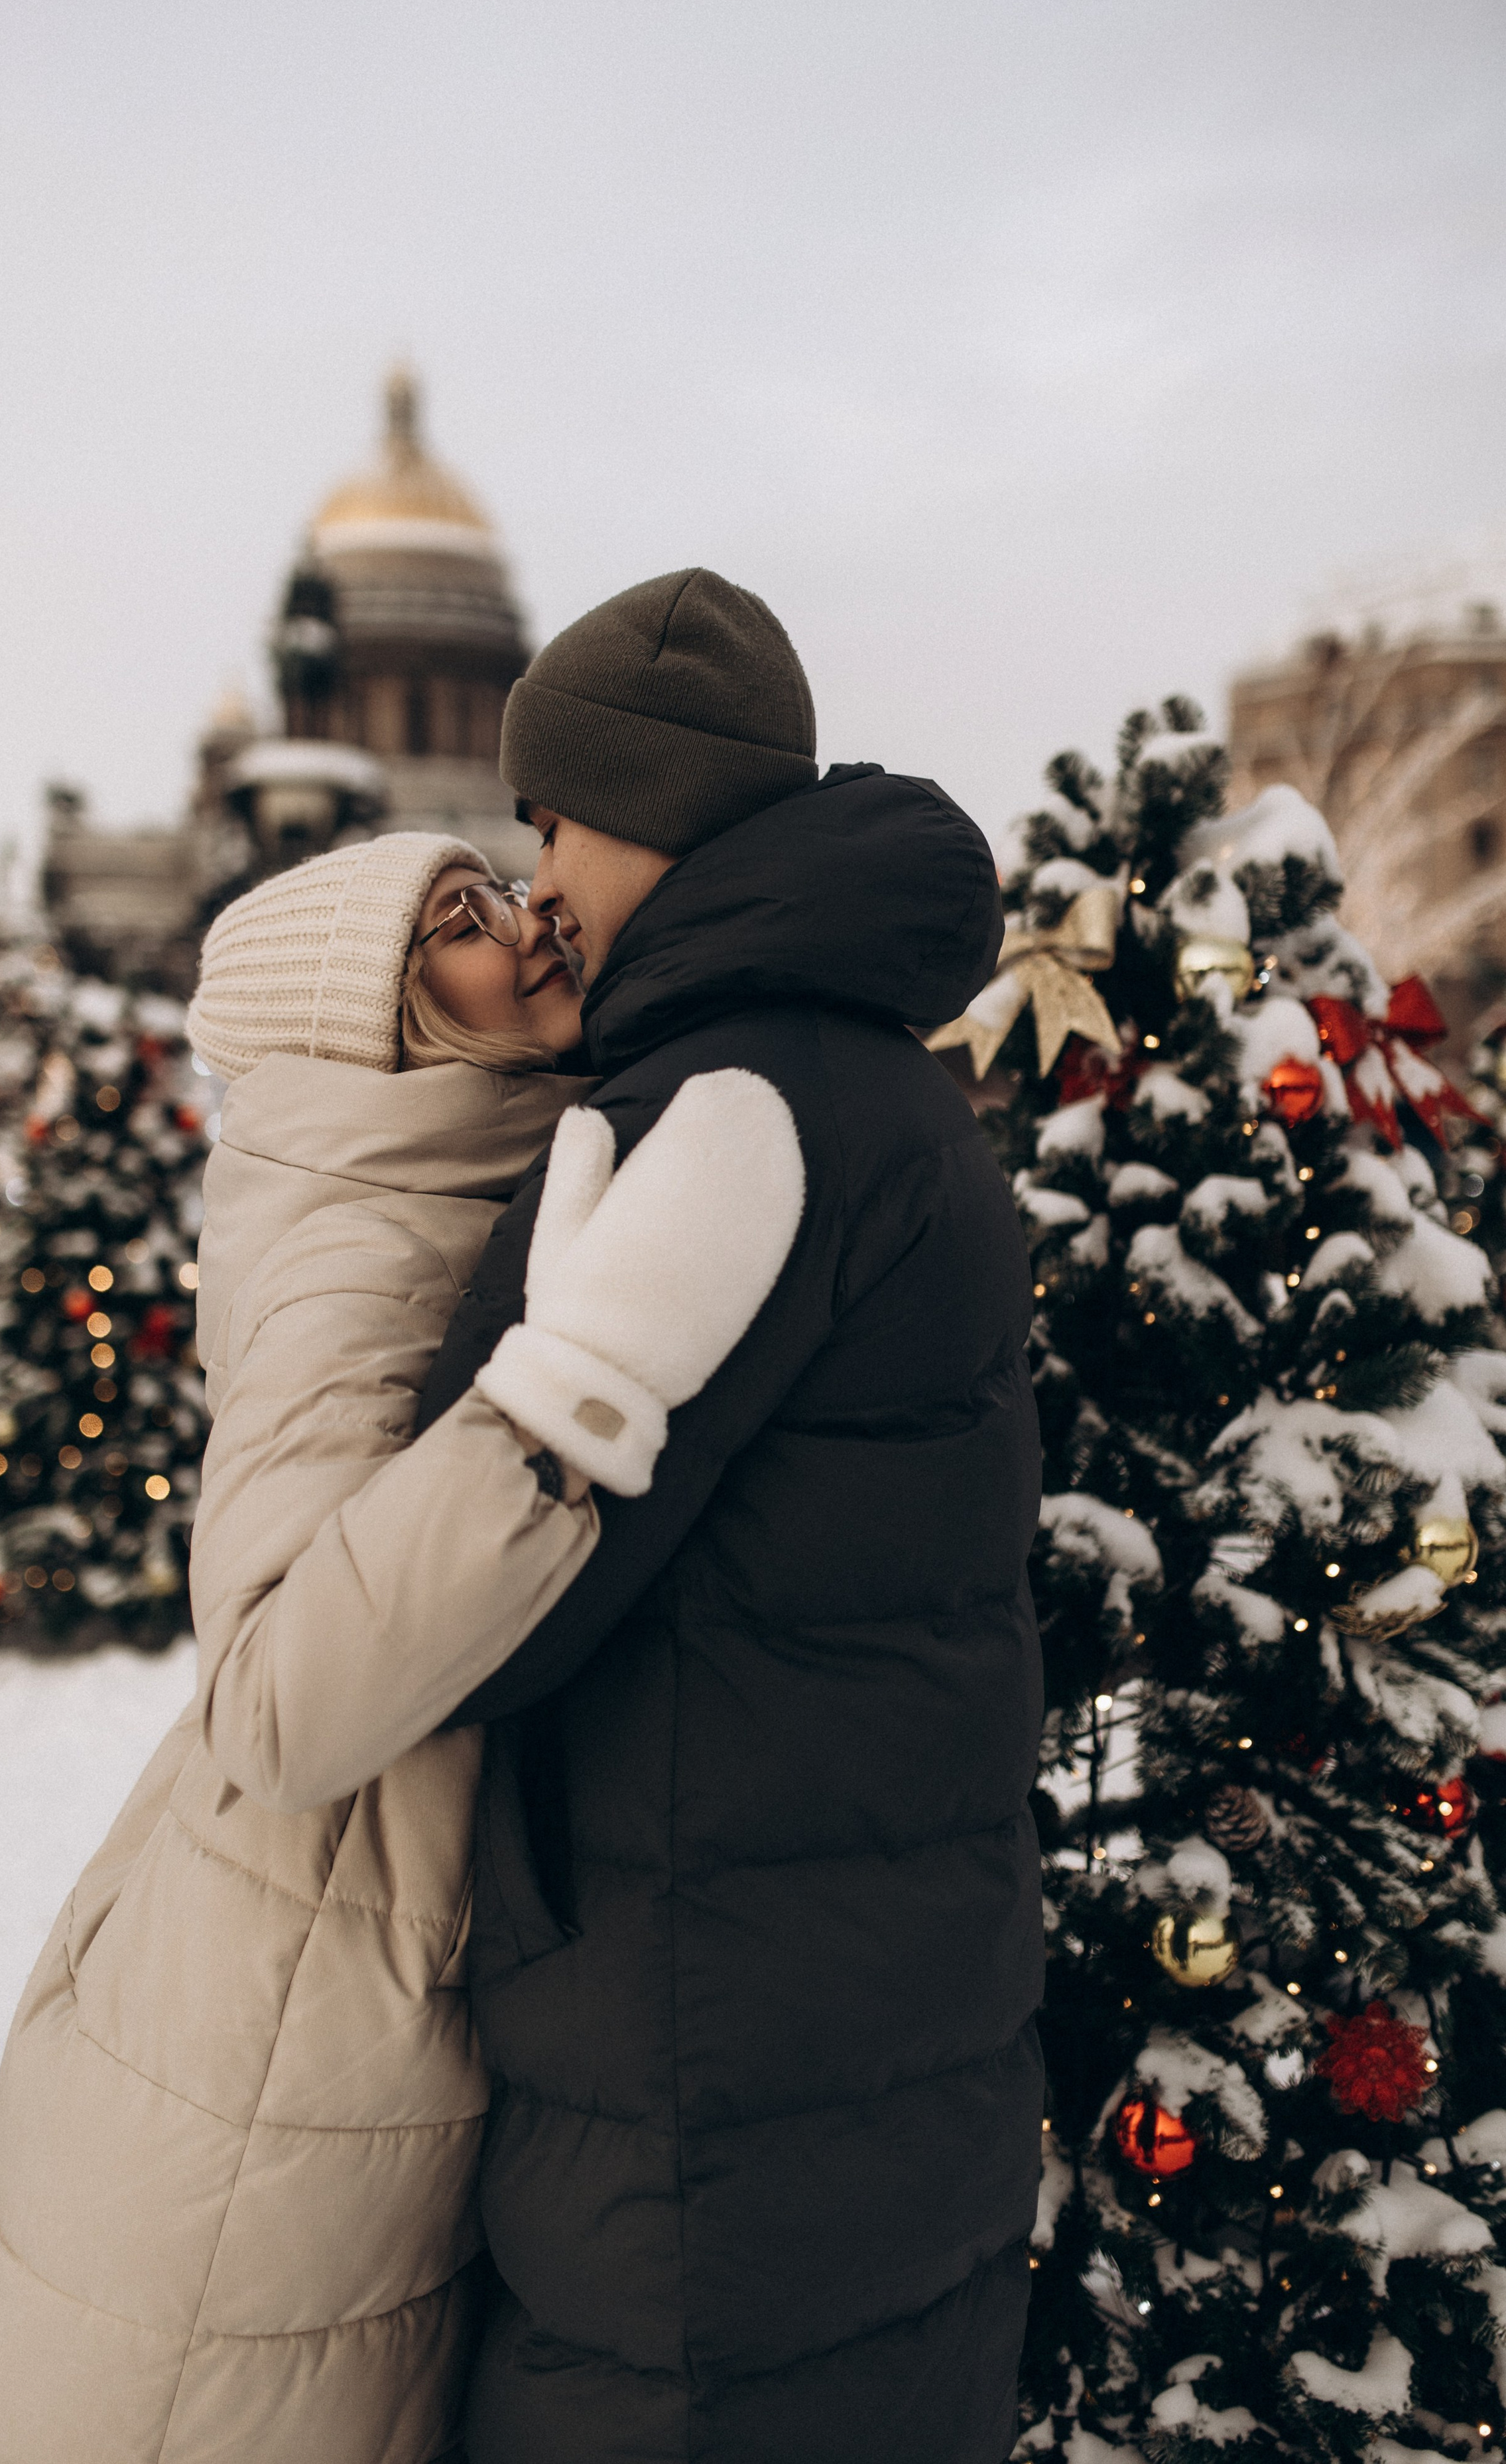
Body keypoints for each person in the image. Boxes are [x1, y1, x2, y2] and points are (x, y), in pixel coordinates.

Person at [0, 829, 806, 2464]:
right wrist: (576, 1395)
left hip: (315, 2009)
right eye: (460, 923)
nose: (524, 930)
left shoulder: (443, 1175)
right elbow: (274, 1695)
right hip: (269, 2063)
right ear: (373, 1020)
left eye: (502, 896)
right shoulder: (354, 1242)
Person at [417, 568, 1046, 2464]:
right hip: (828, 2021)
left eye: (554, 824)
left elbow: (485, 1586)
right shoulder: (864, 1083)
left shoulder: (723, 1110)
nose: (536, 888)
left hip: (704, 2072)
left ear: (651, 812)